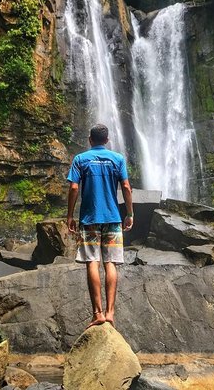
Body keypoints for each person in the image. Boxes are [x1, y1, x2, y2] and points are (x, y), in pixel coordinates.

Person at [66, 124, 133, 328]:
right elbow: (126, 187)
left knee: (92, 263)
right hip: (113, 218)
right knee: (110, 264)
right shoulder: (117, 159)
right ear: (107, 140)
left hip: (89, 219)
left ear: (90, 139)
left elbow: (74, 187)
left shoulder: (80, 159)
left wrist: (70, 215)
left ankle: (98, 313)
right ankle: (111, 313)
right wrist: (129, 213)